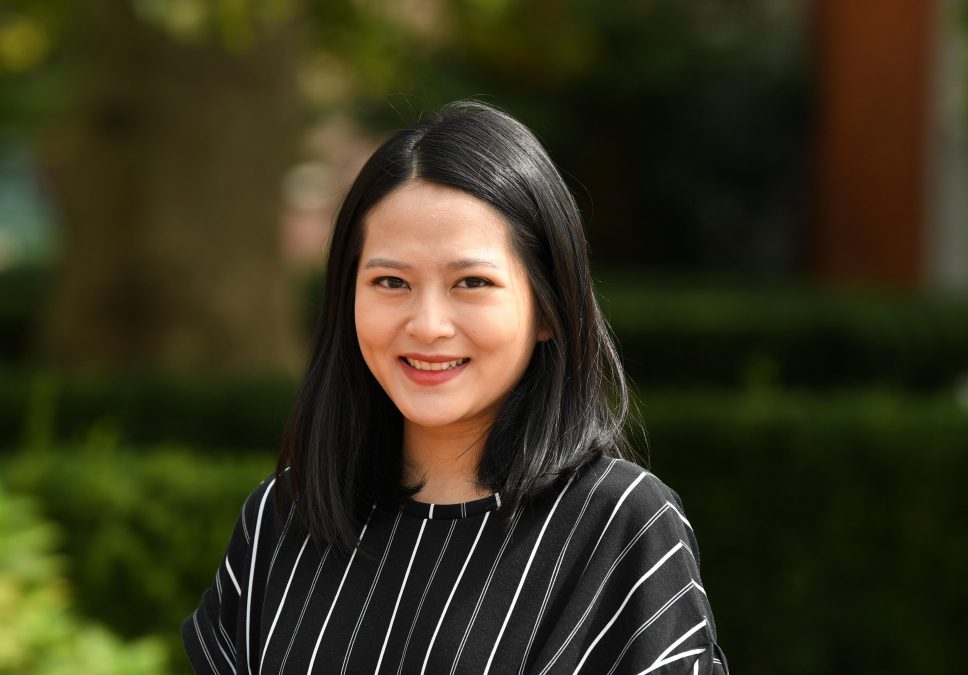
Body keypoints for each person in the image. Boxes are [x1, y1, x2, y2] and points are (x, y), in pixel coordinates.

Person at [182, 101, 729, 674]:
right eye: (391, 281)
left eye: (471, 282)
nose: (427, 325)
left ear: (549, 309)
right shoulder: (285, 516)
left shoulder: (619, 525)